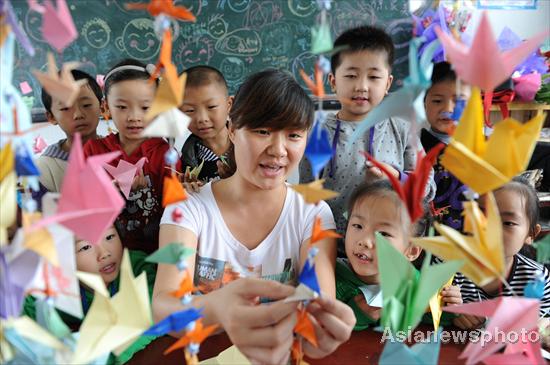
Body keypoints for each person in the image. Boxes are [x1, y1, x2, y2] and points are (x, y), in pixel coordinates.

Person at [153, 69, 355, 364]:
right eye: (262, 131)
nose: (278, 150)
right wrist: (218, 309)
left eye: (294, 135)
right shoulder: (188, 209)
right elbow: (163, 306)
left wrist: (321, 326)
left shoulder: (312, 213)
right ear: (233, 129)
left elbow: (319, 300)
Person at [299, 25, 436, 238]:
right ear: (333, 82)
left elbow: (427, 187)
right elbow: (307, 197)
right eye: (351, 75)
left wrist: (395, 177)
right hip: (334, 246)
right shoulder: (318, 136)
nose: (362, 86)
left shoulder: (402, 130)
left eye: (373, 77)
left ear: (388, 83)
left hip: (387, 246)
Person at [335, 180, 462, 330]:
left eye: (383, 233)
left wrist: (446, 305)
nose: (364, 241)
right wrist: (356, 315)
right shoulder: (328, 278)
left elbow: (424, 314)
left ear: (411, 251)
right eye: (358, 226)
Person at [23, 224, 157, 364]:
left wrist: (102, 355)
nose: (104, 253)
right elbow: (22, 316)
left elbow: (154, 313)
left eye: (109, 237)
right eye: (85, 247)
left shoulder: (139, 269)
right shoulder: (61, 284)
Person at [83, 59, 179, 254]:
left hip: (156, 257)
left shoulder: (165, 155)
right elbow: (82, 211)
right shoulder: (93, 152)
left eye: (145, 108)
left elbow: (177, 215)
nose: (134, 116)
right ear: (105, 108)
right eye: (122, 107)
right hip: (107, 258)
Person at [453, 177, 550, 329]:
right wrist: (450, 313)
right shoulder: (448, 268)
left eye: (507, 223)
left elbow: (539, 322)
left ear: (531, 234)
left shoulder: (536, 278)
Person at [421, 61, 471, 229]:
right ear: (424, 103)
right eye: (437, 101)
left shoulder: (481, 148)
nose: (448, 109)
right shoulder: (414, 147)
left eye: (459, 101)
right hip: (427, 239)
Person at [36, 69, 102, 193]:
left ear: (102, 107)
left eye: (86, 105)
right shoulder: (45, 167)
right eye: (66, 108)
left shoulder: (119, 150)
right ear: (51, 117)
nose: (78, 114)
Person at [179, 66, 235, 186]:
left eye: (211, 107)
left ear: (229, 105)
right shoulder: (186, 160)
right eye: (189, 110)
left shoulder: (248, 147)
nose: (202, 119)